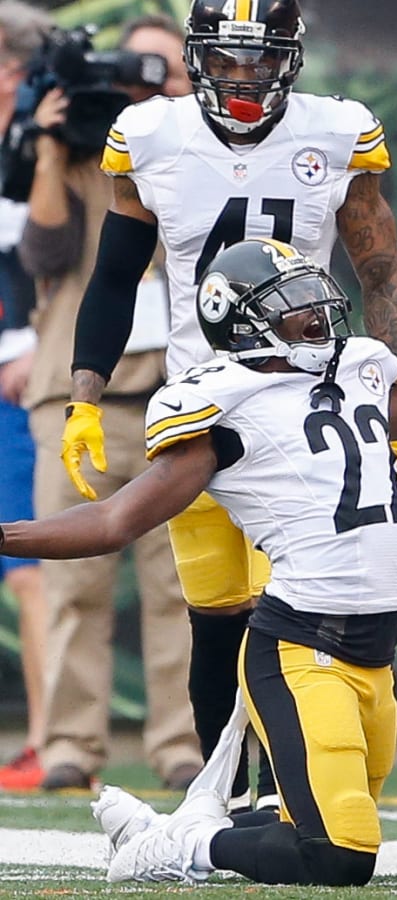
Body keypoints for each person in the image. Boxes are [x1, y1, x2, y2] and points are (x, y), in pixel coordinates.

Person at [0, 237, 397, 886]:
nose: (318, 312)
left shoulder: (354, 375)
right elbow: (113, 519)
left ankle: (168, 830)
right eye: (291, 304)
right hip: (298, 648)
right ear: (243, 323)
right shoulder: (224, 413)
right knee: (340, 855)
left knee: (313, 822)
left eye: (312, 295)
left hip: (375, 658)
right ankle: (186, 851)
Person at [63, 0, 397, 812]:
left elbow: (382, 274)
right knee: (215, 616)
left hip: (302, 411)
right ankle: (220, 795)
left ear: (292, 58)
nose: (244, 75)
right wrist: (83, 398)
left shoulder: (334, 133)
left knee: (287, 611)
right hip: (203, 407)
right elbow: (114, 277)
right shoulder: (151, 135)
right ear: (197, 58)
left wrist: (393, 401)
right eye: (226, 59)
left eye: (261, 58)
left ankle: (280, 792)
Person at [19, 13, 202, 793]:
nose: (142, 85)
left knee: (184, 586)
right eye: (128, 71)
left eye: (160, 70)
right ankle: (68, 746)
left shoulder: (209, 156)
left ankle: (181, 745)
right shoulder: (84, 149)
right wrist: (53, 146)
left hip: (181, 400)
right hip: (77, 394)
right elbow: (44, 253)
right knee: (71, 584)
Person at [0, 0, 51, 793]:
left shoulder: (49, 139)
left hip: (18, 374)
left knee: (30, 562)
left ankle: (48, 738)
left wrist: (40, 345)